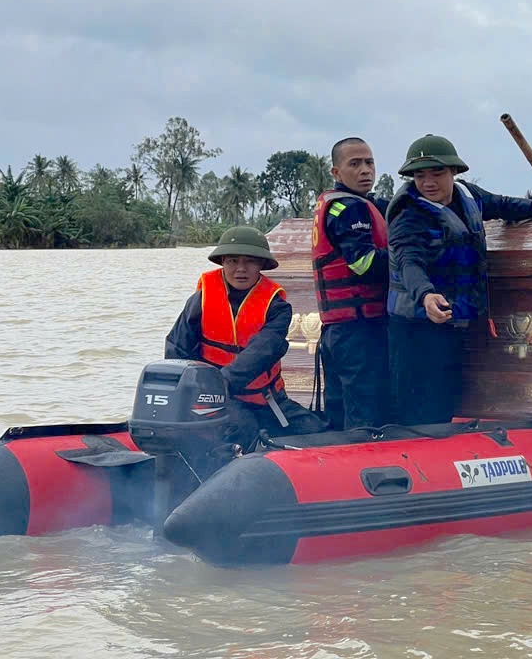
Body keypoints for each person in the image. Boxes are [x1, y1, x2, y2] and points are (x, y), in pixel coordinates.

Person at [386, 134, 532, 425]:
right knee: (422, 411)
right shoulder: (408, 215)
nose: (428, 182)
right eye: (420, 175)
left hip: (455, 324)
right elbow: (409, 261)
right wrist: (425, 294)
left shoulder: (468, 195)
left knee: (447, 402)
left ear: (453, 172)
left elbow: (501, 205)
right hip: (417, 329)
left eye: (437, 173)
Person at [166, 225, 326, 444]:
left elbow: (262, 352)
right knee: (243, 429)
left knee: (316, 432)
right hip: (215, 400)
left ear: (261, 264)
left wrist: (223, 381)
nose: (241, 269)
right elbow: (176, 349)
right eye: (233, 261)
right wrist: (195, 392)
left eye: (250, 261)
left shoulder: (277, 307)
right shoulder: (200, 301)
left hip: (267, 399)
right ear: (223, 262)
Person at [311, 137, 391, 430]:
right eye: (355, 164)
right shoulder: (350, 208)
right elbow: (363, 265)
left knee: (339, 410)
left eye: (369, 162)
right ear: (336, 172)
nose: (365, 170)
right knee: (366, 414)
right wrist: (407, 254)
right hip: (359, 331)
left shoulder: (334, 204)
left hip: (336, 331)